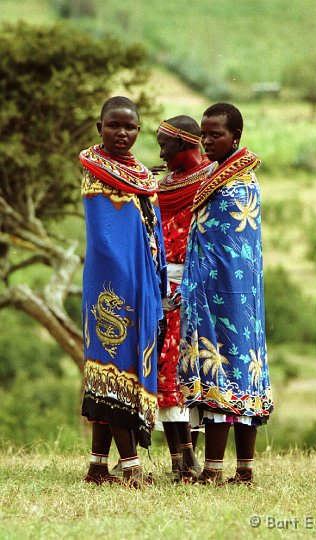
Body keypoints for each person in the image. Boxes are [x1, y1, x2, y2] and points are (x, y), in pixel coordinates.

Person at [179, 103, 273, 485]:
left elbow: (224, 243)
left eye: (215, 134)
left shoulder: (237, 184)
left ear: (236, 137)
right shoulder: (220, 177)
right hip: (224, 293)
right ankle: (233, 470)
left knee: (226, 371)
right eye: (203, 134)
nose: (207, 141)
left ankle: (225, 471)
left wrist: (193, 282)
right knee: (232, 371)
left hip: (227, 293)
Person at [79, 96, 167, 486]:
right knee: (112, 366)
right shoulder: (96, 172)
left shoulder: (141, 175)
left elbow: (148, 232)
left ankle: (99, 465)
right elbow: (106, 239)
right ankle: (130, 467)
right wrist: (130, 281)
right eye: (114, 125)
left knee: (121, 367)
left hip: (138, 281)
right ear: (99, 127)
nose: (122, 133)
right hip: (111, 286)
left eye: (130, 127)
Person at [155, 116, 215, 481]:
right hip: (163, 286)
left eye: (164, 143)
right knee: (166, 370)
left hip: (197, 286)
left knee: (188, 371)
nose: (160, 150)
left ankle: (188, 458)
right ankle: (181, 459)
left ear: (184, 145)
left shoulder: (210, 181)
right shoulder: (164, 183)